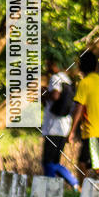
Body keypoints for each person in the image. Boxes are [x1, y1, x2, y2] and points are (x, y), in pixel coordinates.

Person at [67, 51, 99, 183]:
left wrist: (72, 130)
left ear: (80, 66)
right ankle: (82, 190)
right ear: (95, 66)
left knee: (98, 166)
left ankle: (84, 189)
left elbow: (79, 107)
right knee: (83, 163)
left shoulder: (85, 83)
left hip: (93, 132)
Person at [40, 57, 79, 189]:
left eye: (48, 63)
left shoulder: (55, 78)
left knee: (47, 161)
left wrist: (43, 93)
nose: (47, 67)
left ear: (54, 64)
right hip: (64, 127)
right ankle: (74, 183)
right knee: (54, 161)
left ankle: (50, 187)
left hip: (53, 127)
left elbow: (55, 96)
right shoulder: (68, 80)